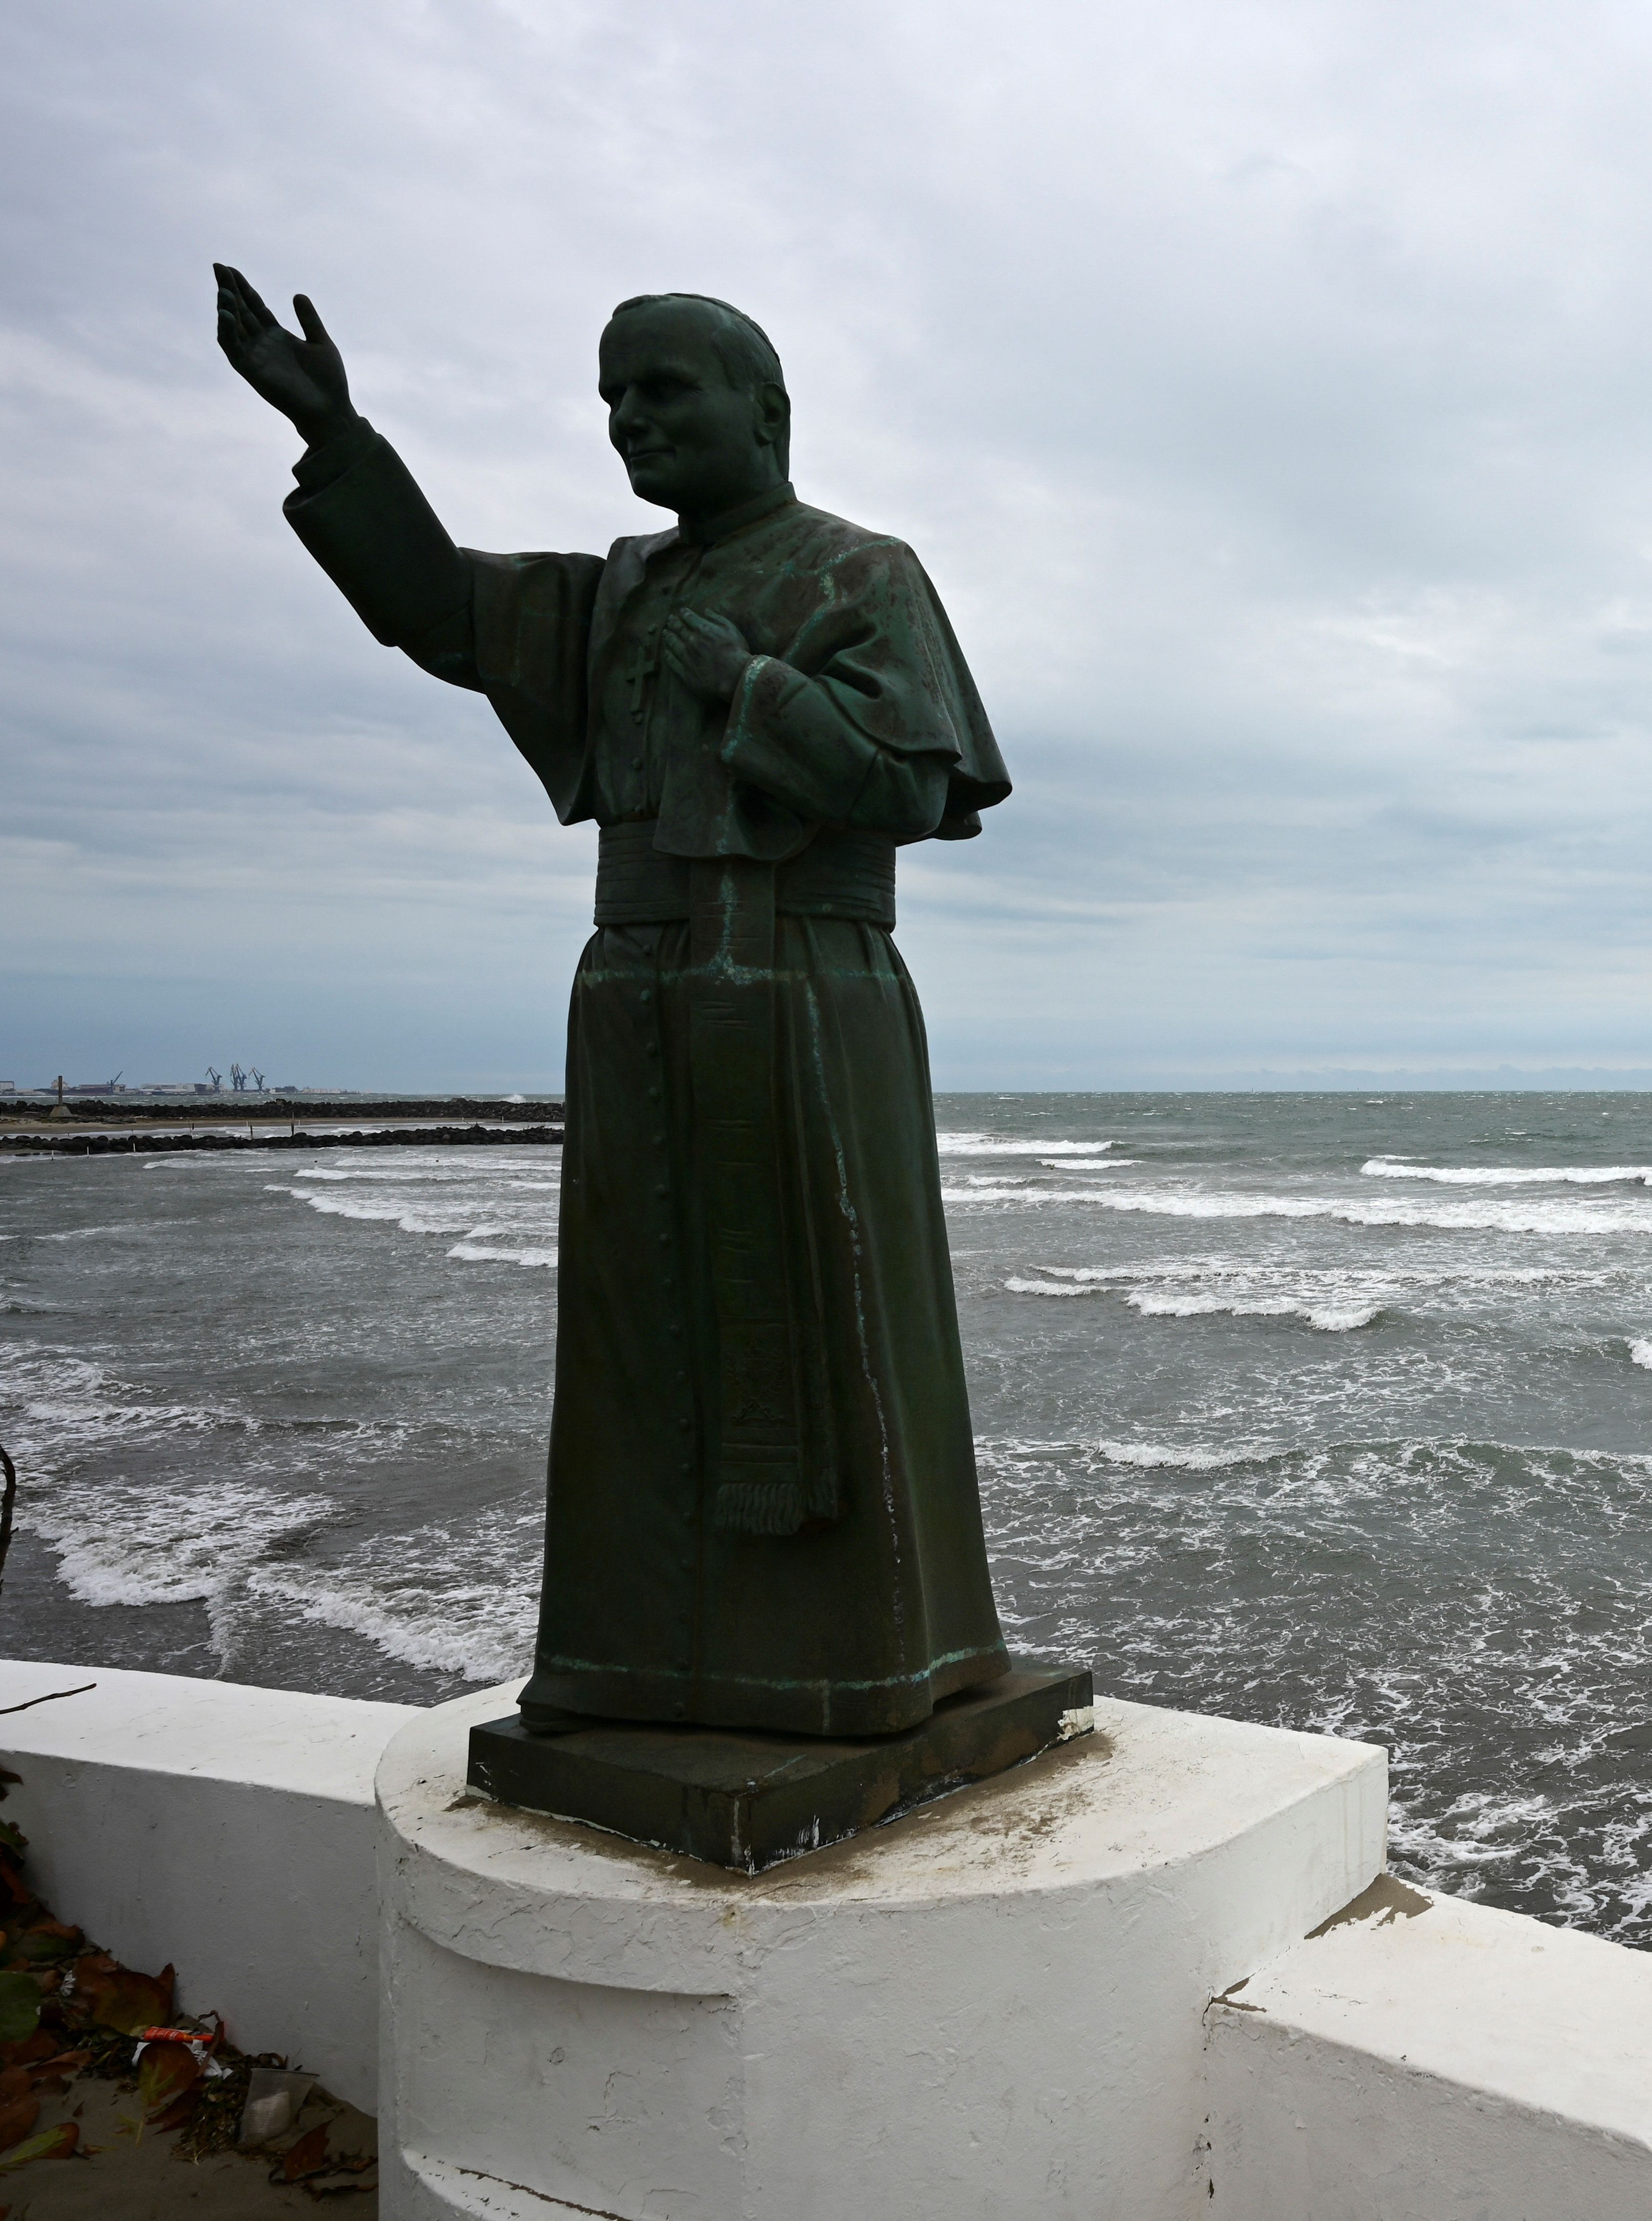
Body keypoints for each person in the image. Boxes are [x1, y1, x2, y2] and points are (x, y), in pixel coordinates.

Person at [213, 268, 1015, 1738]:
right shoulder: (620, 585)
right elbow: (445, 610)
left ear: (765, 413)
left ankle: (866, 1663)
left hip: (800, 989)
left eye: (662, 390)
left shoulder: (862, 573)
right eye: (611, 397)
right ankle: (639, 1661)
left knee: (829, 1324)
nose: (628, 420)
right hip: (636, 987)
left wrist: (752, 689)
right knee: (641, 1338)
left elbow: (910, 785)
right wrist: (336, 437)